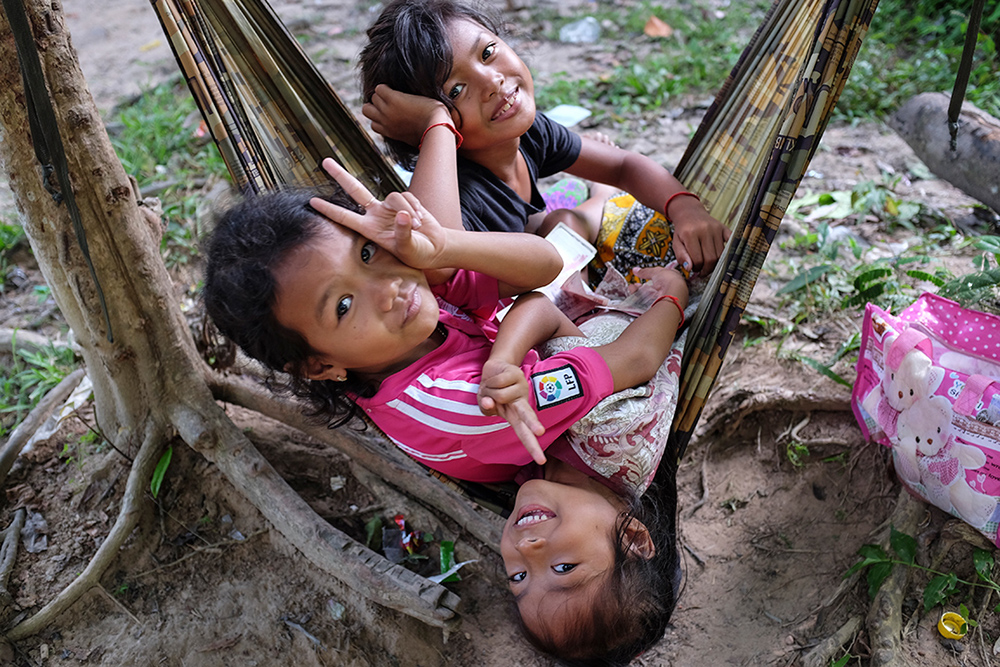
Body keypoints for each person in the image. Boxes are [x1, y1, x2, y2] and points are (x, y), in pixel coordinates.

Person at [203, 159, 686, 663]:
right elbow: (611, 343)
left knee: (559, 229)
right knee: (577, 227)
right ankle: (590, 186)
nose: (387, 289)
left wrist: (441, 250)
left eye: (367, 252)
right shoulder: (486, 412)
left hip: (549, 322)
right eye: (343, 305)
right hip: (604, 324)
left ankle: (583, 188)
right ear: (320, 366)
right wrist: (673, 296)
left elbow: (543, 276)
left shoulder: (403, 316)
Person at [357, 0, 731, 279]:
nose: (492, 83)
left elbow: (622, 165)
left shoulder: (530, 133)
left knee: (559, 221)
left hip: (542, 260)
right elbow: (439, 260)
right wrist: (436, 122)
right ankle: (593, 202)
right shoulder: (463, 191)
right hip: (512, 314)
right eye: (455, 91)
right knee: (559, 225)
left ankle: (590, 201)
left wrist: (687, 210)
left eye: (487, 53)